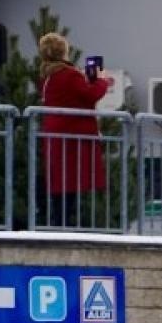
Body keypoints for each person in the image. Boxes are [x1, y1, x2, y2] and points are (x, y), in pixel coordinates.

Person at [37, 33, 113, 229]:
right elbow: (90, 95)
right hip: (71, 137)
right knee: (69, 183)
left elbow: (72, 96)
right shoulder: (69, 74)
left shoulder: (47, 76)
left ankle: (59, 223)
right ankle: (63, 226)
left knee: (60, 182)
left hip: (55, 135)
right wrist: (102, 81)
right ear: (64, 52)